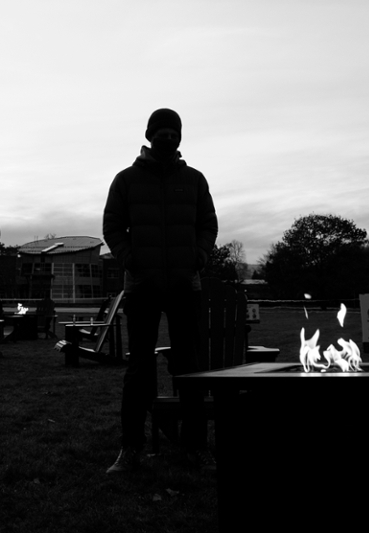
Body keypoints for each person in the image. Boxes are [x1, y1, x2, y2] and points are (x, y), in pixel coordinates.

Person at [102, 108, 218, 473]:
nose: (168, 137)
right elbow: (113, 227)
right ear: (150, 135)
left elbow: (208, 225)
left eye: (174, 132)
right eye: (162, 132)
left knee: (190, 368)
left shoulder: (195, 181)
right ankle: (131, 447)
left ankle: (195, 446)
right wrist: (131, 261)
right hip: (142, 287)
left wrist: (198, 257)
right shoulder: (125, 180)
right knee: (139, 370)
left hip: (186, 286)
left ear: (180, 137)